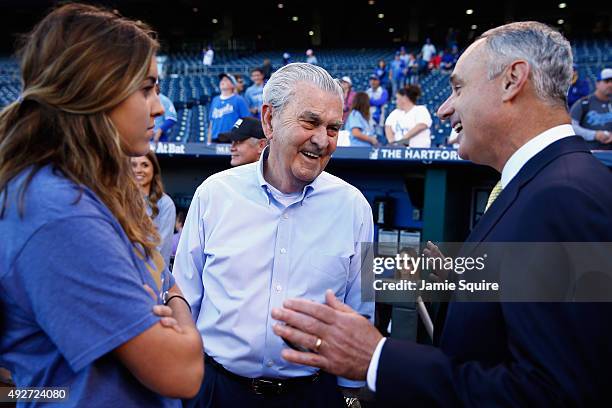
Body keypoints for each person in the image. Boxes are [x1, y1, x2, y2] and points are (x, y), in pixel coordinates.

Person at [271, 21, 612, 406]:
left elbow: (559, 394)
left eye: (458, 88)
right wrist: (460, 280)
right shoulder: (547, 182)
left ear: (513, 79)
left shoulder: (565, 195)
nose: (445, 107)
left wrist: (378, 359)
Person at [0, 4, 204, 406]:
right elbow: (182, 372)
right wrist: (183, 322)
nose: (159, 107)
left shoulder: (352, 203)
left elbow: (164, 277)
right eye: (146, 89)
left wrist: (171, 301)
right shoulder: (59, 209)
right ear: (95, 88)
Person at [173, 62, 374, 407]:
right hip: (217, 392)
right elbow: (185, 298)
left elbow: (361, 309)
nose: (322, 140)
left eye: (333, 128)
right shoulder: (214, 194)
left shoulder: (354, 207)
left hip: (313, 396)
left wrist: (351, 396)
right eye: (310, 122)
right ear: (269, 120)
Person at [131, 151, 176, 269]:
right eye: (134, 165)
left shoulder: (165, 203)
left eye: (145, 165)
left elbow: (161, 249)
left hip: (153, 274)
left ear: (154, 170)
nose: (138, 170)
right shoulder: (121, 200)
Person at [570, 68, 612, 149]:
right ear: (597, 84)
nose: (610, 85)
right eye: (607, 81)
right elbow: (572, 127)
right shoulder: (583, 103)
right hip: (590, 154)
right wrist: (594, 135)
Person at [207, 72, 250, 143]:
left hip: (231, 139)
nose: (223, 82)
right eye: (222, 80)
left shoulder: (239, 99)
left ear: (233, 85)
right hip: (215, 138)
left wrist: (236, 130)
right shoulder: (215, 99)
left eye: (226, 80)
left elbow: (245, 119)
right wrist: (209, 141)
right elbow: (211, 122)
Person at [366, 74, 389, 142]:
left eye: (375, 80)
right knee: (370, 137)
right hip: (369, 118)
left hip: (380, 118)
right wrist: (375, 102)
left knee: (379, 137)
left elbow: (381, 102)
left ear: (378, 81)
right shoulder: (367, 91)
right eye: (371, 80)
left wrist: (370, 101)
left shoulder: (383, 91)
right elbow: (365, 103)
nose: (373, 82)